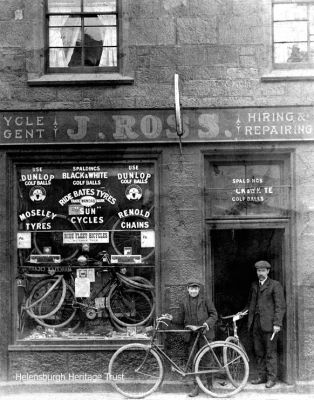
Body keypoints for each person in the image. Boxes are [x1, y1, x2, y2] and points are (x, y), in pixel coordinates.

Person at [242, 260, 286, 389]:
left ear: (267, 271)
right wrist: (242, 312)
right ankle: (262, 377)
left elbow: (280, 306)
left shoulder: (275, 285)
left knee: (270, 352)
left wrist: (277, 324)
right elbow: (250, 304)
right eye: (258, 271)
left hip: (270, 326)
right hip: (256, 325)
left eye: (262, 271)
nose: (260, 273)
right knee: (259, 352)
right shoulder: (254, 285)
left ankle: (271, 378)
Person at [174, 279, 218, 397]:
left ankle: (210, 386)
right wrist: (170, 318)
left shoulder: (206, 300)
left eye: (196, 288)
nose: (193, 291)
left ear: (199, 289)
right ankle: (196, 387)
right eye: (191, 288)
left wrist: (207, 324)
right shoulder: (184, 302)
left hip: (205, 334)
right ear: (188, 289)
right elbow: (180, 318)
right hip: (192, 336)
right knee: (193, 360)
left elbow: (214, 315)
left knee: (207, 359)